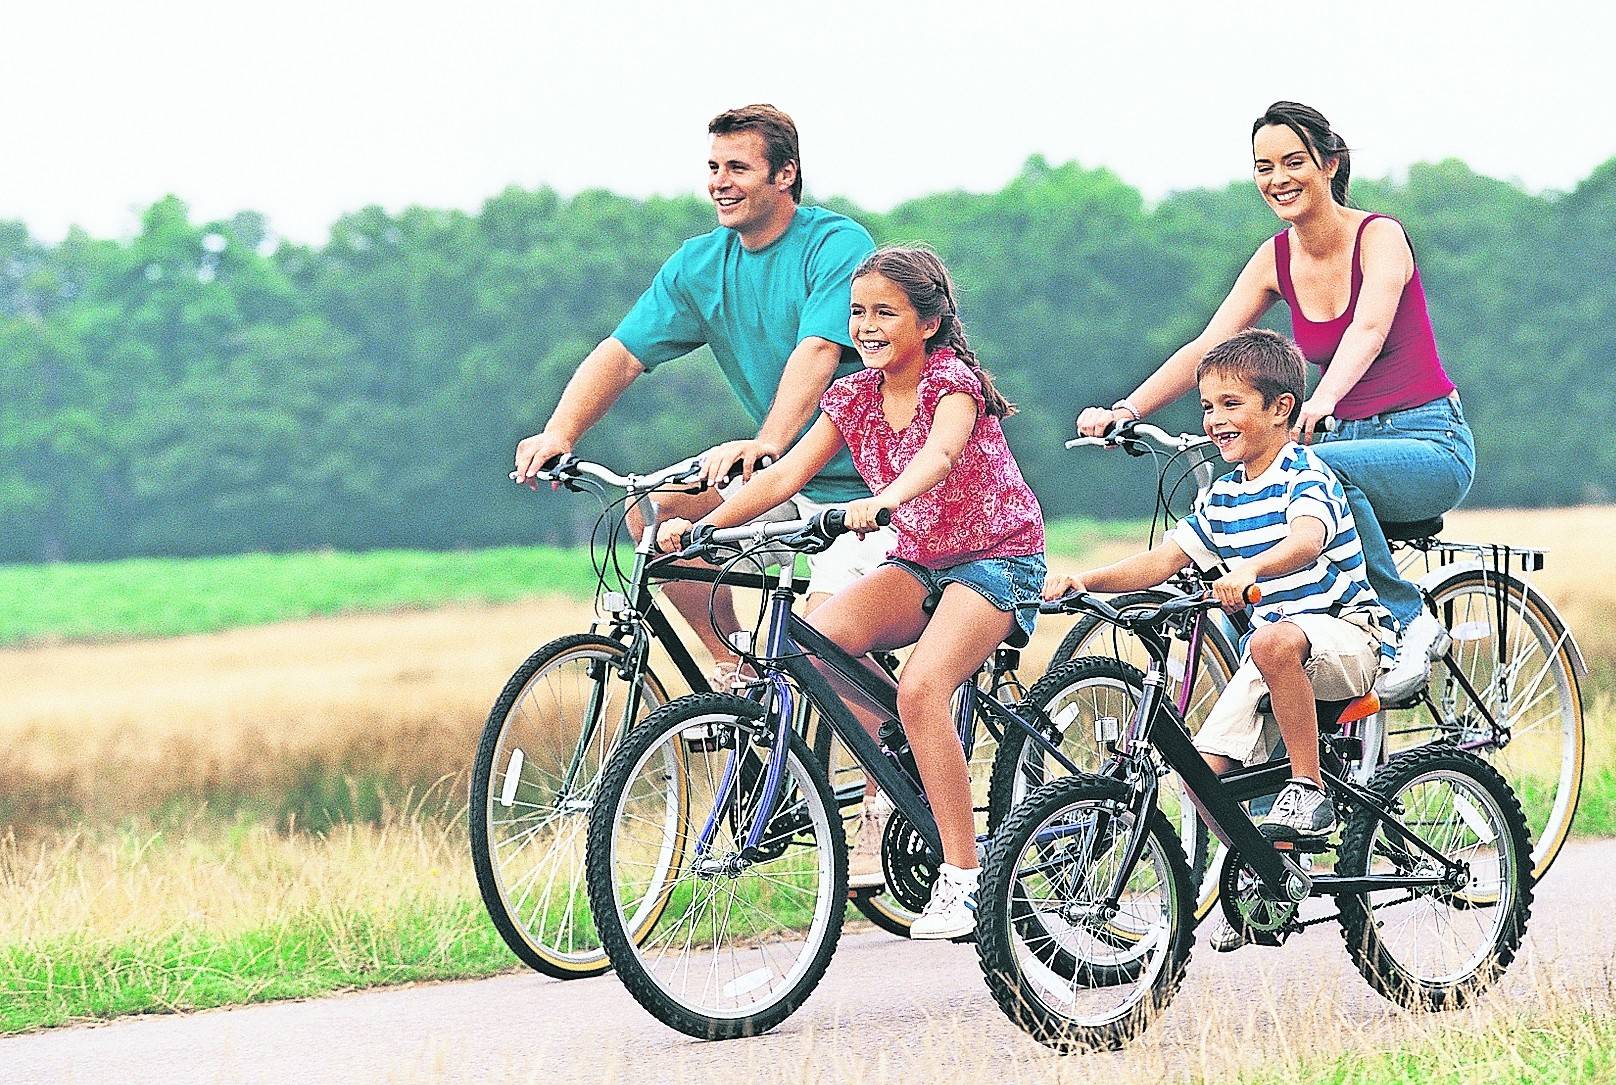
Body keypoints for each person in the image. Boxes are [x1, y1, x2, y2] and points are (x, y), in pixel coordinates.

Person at [659, 246, 1046, 939]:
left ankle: (965, 876)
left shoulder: (951, 381)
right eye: (858, 312)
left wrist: (887, 500)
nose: (866, 326)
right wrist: (704, 529)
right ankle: (907, 752)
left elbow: (941, 454)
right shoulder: (853, 395)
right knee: (817, 645)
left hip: (995, 559)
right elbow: (781, 477)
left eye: (884, 312)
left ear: (928, 323)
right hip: (921, 559)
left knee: (923, 686)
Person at [1077, 101, 1473, 703]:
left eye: (1294, 162)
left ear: (1329, 164)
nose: (1279, 179)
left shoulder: (1379, 236)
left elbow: (1368, 329)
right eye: (1264, 167)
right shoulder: (1275, 257)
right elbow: (1210, 346)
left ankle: (1408, 620)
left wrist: (1324, 401)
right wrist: (1127, 411)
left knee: (1319, 471)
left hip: (1428, 441)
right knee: (1265, 530)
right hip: (1342, 445)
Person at [513, 104, 893, 673]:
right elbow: (621, 354)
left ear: (784, 174)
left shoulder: (835, 243)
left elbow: (817, 351)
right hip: (786, 480)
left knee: (825, 660)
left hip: (878, 485)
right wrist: (559, 433)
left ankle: (897, 753)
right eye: (713, 166)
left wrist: (765, 443)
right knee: (654, 512)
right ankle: (732, 669)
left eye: (737, 167)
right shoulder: (699, 264)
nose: (719, 182)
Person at [1048, 328, 1394, 950]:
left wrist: (1253, 570)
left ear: (1280, 409)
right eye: (1207, 407)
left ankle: (1310, 790)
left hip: (1348, 634)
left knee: (1270, 642)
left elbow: (1308, 539)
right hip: (1277, 656)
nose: (1213, 420)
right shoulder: (1223, 496)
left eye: (1231, 405)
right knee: (1204, 775)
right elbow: (1163, 561)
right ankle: (1271, 875)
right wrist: (1084, 579)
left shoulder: (1302, 473)